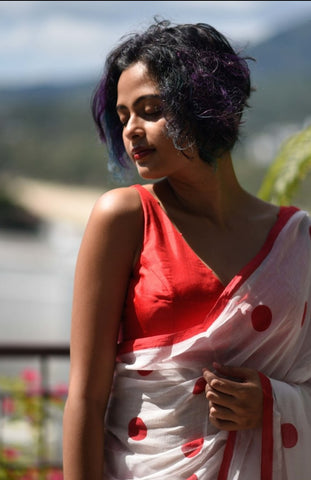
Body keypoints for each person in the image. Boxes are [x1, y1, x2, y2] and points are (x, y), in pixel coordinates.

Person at [62, 18, 311, 480]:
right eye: (122, 117)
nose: (131, 130)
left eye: (150, 109)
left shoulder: (296, 241)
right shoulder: (124, 219)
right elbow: (86, 397)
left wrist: (273, 402)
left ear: (207, 104)